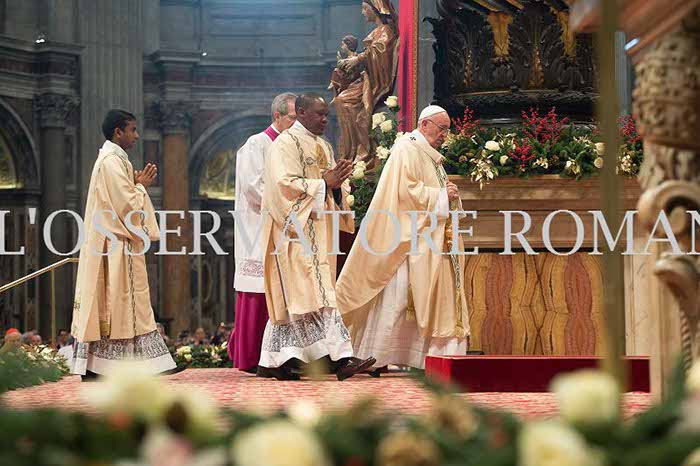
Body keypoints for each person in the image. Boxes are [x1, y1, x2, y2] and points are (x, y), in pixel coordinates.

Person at [336, 105, 470, 371]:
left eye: (447, 130)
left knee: (406, 299)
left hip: (424, 236)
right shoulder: (407, 148)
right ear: (424, 124)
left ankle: (413, 357)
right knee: (397, 298)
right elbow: (405, 192)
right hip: (406, 239)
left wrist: (448, 192)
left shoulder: (428, 154)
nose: (445, 135)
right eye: (441, 129)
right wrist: (441, 195)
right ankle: (377, 356)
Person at [257, 93, 376, 380]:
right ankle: (340, 358)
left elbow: (333, 187)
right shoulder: (284, 144)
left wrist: (336, 186)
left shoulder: (323, 145)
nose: (325, 119)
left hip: (320, 233)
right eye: (319, 114)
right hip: (293, 233)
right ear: (300, 112)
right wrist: (324, 182)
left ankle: (276, 360)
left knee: (313, 296)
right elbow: (282, 187)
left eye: (327, 115)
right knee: (305, 297)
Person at [69, 109, 179, 380]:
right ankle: (113, 367)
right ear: (118, 132)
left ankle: (107, 366)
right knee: (119, 304)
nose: (136, 136)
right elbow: (126, 205)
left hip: (115, 242)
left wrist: (135, 185)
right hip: (115, 244)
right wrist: (141, 187)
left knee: (120, 304)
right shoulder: (111, 162)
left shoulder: (115, 160)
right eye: (132, 130)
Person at [229, 93, 298, 374]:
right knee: (259, 289)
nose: (296, 123)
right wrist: (291, 204)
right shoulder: (257, 144)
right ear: (277, 116)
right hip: (258, 227)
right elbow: (253, 187)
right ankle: (252, 356)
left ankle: (284, 356)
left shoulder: (293, 146)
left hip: (288, 228)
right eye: (292, 118)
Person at [334, 0, 399, 162]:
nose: (363, 12)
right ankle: (351, 151)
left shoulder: (385, 30)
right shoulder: (378, 31)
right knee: (341, 100)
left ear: (376, 8)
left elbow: (380, 51)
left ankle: (361, 151)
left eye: (365, 8)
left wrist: (358, 59)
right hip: (368, 77)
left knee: (345, 101)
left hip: (375, 81)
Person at [328, 35, 361, 100]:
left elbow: (349, 68)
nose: (341, 47)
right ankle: (335, 90)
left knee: (336, 71)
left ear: (348, 45)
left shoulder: (354, 57)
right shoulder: (350, 57)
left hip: (352, 80)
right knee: (337, 71)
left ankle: (334, 84)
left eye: (343, 44)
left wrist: (340, 62)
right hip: (347, 78)